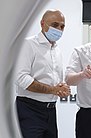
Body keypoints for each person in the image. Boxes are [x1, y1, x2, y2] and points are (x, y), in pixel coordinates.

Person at [15, 9, 71, 138]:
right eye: (55, 25)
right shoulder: (28, 44)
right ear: (42, 23)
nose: (59, 29)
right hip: (29, 110)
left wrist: (62, 88)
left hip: (51, 111)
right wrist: (53, 90)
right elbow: (21, 78)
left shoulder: (57, 50)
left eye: (62, 26)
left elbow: (55, 81)